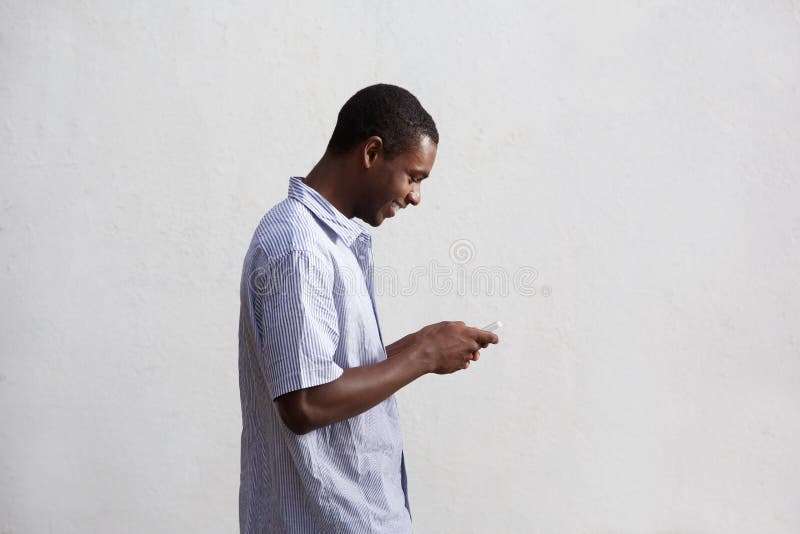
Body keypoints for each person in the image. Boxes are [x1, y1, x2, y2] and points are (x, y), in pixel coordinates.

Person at [238, 83, 499, 533]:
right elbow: (305, 404)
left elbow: (327, 370)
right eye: (414, 176)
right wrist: (424, 355)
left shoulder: (326, 242)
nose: (415, 195)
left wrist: (421, 343)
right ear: (372, 152)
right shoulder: (300, 247)